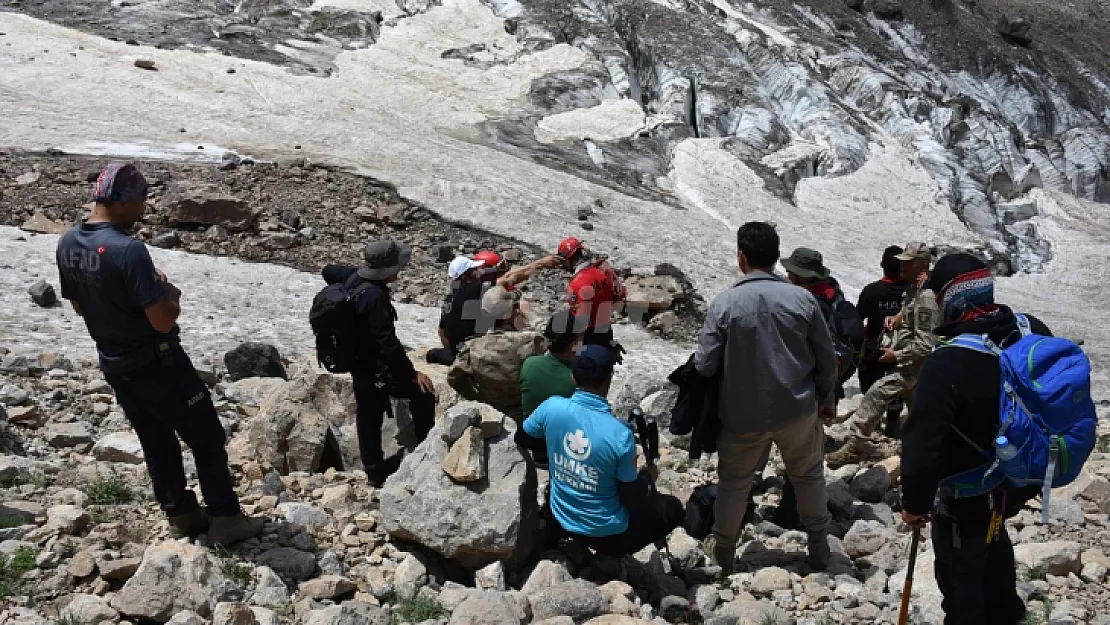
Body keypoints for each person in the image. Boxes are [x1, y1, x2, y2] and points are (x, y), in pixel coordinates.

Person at [55, 162, 263, 545]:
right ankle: (225, 518)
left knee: (156, 438)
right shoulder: (128, 250)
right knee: (205, 435)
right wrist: (168, 295)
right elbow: (163, 322)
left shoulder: (69, 243)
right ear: (122, 201)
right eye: (140, 202)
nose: (143, 210)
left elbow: (80, 307)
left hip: (116, 363)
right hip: (158, 361)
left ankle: (181, 514)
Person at [901, 253, 1049, 625]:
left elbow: (924, 442)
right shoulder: (1030, 331)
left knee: (961, 582)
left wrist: (914, 503)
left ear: (951, 297)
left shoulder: (947, 362)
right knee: (995, 549)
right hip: (1017, 481)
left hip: (965, 492)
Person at [694, 222, 837, 573]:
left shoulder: (725, 303)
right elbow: (826, 357)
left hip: (743, 415)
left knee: (735, 483)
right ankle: (818, 543)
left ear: (741, 257)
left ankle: (724, 551)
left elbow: (705, 364)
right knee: (807, 476)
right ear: (776, 259)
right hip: (797, 410)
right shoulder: (803, 299)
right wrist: (826, 397)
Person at [522, 345, 684, 557]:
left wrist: (559, 451)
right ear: (609, 380)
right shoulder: (619, 434)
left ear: (572, 377)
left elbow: (523, 436)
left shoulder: (551, 407)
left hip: (560, 519)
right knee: (672, 508)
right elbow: (631, 497)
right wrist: (646, 477)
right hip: (607, 538)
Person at [827, 241, 939, 468]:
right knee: (920, 413)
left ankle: (856, 445)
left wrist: (896, 356)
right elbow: (908, 315)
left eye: (908, 262)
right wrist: (897, 318)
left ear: (920, 264)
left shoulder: (926, 295)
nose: (902, 267)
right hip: (913, 365)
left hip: (913, 365)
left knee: (876, 394)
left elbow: (927, 344)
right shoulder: (914, 289)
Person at [341, 239, 437, 486]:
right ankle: (425, 454)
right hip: (376, 368)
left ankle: (373, 470)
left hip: (358, 363)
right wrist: (410, 374)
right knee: (422, 393)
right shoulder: (375, 297)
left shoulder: (354, 280)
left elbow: (329, 271)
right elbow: (387, 342)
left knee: (367, 415)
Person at [781, 247, 864, 401]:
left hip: (816, 374)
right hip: (837, 365)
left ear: (803, 276)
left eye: (792, 272)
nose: (788, 275)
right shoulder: (832, 288)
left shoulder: (808, 302)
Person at [855, 245, 909, 437]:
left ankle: (872, 426)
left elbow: (857, 318)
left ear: (882, 265)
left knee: (871, 387)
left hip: (874, 350)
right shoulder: (910, 293)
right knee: (897, 387)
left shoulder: (872, 291)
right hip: (902, 350)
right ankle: (893, 423)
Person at [555, 237, 627, 349]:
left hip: (589, 337)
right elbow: (620, 295)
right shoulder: (606, 270)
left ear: (567, 260)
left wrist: (577, 348)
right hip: (606, 330)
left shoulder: (577, 283)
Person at [426, 256, 489, 366]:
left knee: (431, 354)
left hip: (456, 353)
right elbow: (505, 280)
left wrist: (452, 352)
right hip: (471, 354)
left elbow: (441, 331)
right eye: (474, 270)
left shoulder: (449, 298)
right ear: (465, 276)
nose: (479, 272)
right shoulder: (471, 290)